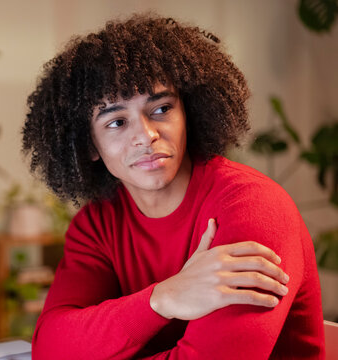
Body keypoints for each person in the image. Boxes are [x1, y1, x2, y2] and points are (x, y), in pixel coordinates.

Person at [22, 14, 325, 359]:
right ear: (89, 145)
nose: (147, 136)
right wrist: (162, 298)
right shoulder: (97, 225)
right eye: (117, 122)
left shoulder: (253, 207)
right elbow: (50, 348)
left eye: (161, 109)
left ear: (188, 114)